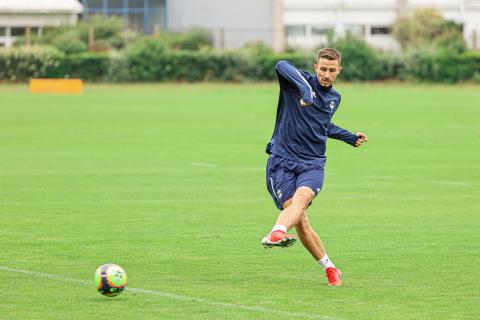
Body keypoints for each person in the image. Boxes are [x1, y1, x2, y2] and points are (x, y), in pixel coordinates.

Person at [262, 48, 368, 286]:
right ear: (315, 67)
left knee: (301, 200)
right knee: (300, 219)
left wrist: (349, 137)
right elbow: (281, 64)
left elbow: (322, 125)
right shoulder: (295, 84)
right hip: (281, 160)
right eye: (323, 69)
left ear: (339, 71)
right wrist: (306, 90)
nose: (326, 74)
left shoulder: (334, 99)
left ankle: (276, 232)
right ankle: (330, 268)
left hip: (312, 163)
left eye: (332, 70)